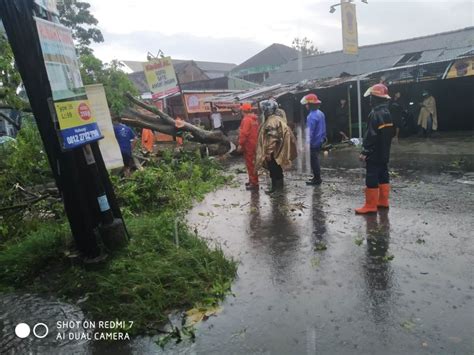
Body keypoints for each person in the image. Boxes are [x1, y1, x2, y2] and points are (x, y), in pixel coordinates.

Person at [355, 83, 395, 214]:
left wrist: (365, 151)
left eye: (371, 97)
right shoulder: (387, 112)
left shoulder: (375, 114)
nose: (370, 100)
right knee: (383, 174)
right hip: (384, 152)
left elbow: (370, 135)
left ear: (375, 99)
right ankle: (383, 201)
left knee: (371, 176)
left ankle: (370, 205)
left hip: (374, 153)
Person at [255, 99, 297, 193]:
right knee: (278, 169)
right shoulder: (277, 119)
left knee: (273, 169)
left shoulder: (271, 121)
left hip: (274, 151)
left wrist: (268, 153)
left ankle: (275, 189)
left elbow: (272, 137)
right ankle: (280, 188)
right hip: (277, 150)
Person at [300, 93, 326, 186]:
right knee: (315, 159)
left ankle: (317, 179)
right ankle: (316, 177)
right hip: (319, 141)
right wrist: (323, 138)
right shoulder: (320, 113)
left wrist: (306, 144)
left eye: (307, 104)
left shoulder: (311, 116)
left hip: (313, 142)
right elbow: (323, 128)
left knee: (313, 161)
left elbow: (309, 132)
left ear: (310, 104)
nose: (306, 105)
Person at [237, 103, 259, 191]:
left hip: (248, 145)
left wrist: (240, 144)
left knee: (250, 164)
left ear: (243, 111)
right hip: (254, 144)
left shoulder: (246, 120)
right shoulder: (254, 119)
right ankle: (253, 180)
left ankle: (253, 183)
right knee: (253, 163)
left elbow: (244, 134)